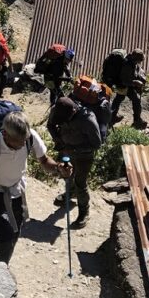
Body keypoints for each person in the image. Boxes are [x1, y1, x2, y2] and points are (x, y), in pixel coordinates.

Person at [0, 111, 71, 263]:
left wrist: (59, 168)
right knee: (6, 235)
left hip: (17, 191)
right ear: (5, 133)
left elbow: (44, 161)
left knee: (15, 232)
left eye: (24, 140)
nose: (22, 144)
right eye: (18, 141)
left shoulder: (30, 137)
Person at [47, 96, 102, 228]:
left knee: (80, 182)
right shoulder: (58, 109)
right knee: (67, 174)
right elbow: (50, 125)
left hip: (84, 155)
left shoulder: (87, 119)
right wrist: (58, 140)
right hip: (66, 150)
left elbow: (97, 144)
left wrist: (73, 148)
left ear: (73, 111)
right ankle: (70, 194)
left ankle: (84, 212)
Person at [103, 48, 147, 128]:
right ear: (135, 59)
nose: (140, 62)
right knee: (136, 100)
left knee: (118, 99)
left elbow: (136, 69)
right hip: (123, 85)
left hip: (123, 85)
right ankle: (137, 121)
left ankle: (112, 117)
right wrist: (135, 83)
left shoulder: (131, 60)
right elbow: (124, 81)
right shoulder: (127, 65)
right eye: (139, 60)